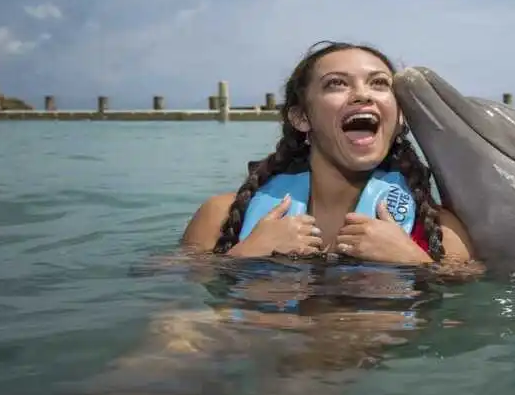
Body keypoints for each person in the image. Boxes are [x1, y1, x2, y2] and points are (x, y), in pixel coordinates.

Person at [180, 40, 477, 269]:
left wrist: (415, 262)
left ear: (399, 117)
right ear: (301, 118)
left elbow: (462, 316)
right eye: (336, 83)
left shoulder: (439, 231)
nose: (363, 95)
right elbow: (169, 286)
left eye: (379, 83)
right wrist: (243, 256)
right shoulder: (220, 216)